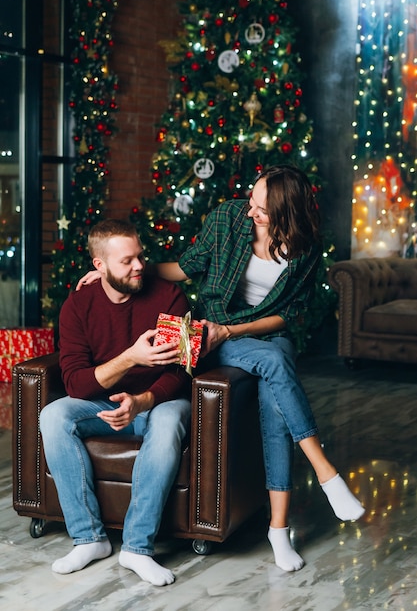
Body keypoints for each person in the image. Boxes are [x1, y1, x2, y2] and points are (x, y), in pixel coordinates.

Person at [78, 165, 365, 573]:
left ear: (287, 212)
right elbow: (187, 266)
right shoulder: (228, 218)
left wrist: (235, 330)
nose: (251, 212)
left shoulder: (306, 248)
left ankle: (279, 529)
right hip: (212, 333)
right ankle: (326, 473)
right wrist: (117, 272)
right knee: (275, 363)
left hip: (260, 333)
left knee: (274, 384)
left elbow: (289, 316)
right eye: (252, 201)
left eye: (262, 209)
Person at [40, 219, 192, 587]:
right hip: (102, 405)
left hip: (159, 402)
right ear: (100, 266)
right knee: (53, 414)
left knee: (170, 420)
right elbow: (76, 384)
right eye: (127, 261)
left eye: (140, 256)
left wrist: (142, 401)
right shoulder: (77, 306)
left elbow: (181, 372)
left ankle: (138, 548)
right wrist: (131, 357)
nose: (139, 266)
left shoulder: (168, 296)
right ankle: (89, 539)